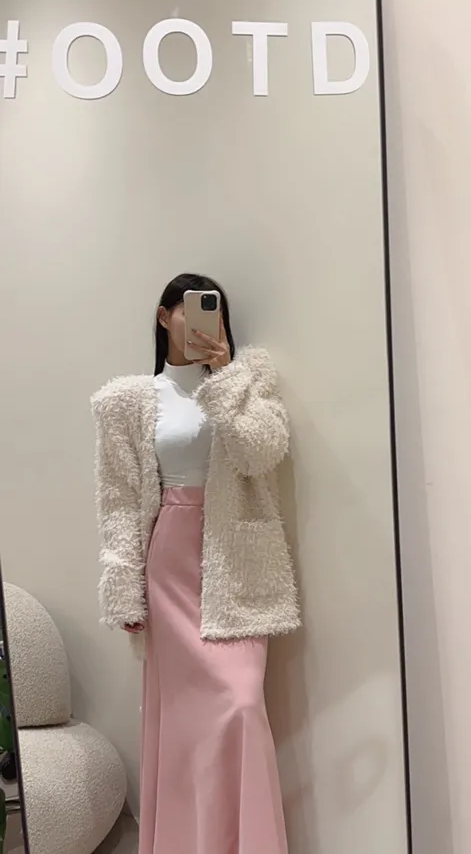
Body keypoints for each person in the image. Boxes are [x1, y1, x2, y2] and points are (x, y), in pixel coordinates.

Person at [91, 273, 300, 854]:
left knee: (240, 704)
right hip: (170, 563)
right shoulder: (128, 401)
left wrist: (226, 375)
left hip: (237, 560)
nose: (206, 321)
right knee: (184, 727)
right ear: (164, 317)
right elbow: (118, 500)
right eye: (192, 309)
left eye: (215, 311)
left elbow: (262, 453)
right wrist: (124, 586)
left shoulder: (248, 380)